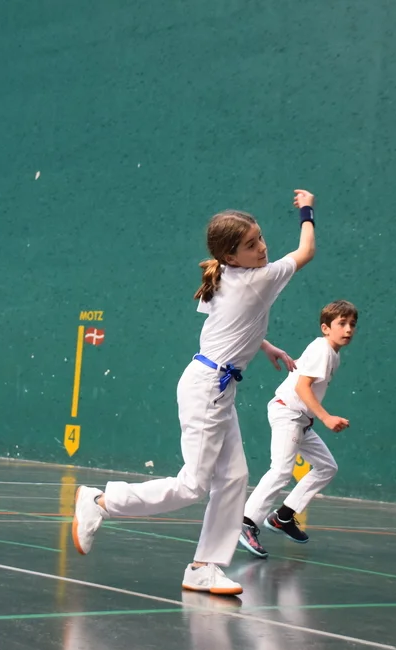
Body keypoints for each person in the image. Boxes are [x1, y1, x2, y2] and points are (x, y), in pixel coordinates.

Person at [71, 189, 318, 594]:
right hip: (208, 388)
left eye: (260, 237)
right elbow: (306, 251)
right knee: (192, 484)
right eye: (251, 244)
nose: (262, 247)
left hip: (216, 384)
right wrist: (307, 209)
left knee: (234, 477)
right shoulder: (259, 278)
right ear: (230, 256)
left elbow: (231, 325)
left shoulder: (226, 277)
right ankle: (100, 502)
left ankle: (204, 566)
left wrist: (265, 345)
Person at [237, 300, 357, 558]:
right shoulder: (324, 349)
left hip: (301, 420)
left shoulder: (330, 352)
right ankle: (246, 523)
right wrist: (326, 418)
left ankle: (283, 517)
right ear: (326, 328)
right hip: (288, 414)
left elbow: (303, 373)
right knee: (281, 470)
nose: (348, 329)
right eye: (342, 324)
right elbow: (302, 388)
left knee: (327, 467)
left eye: (352, 324)